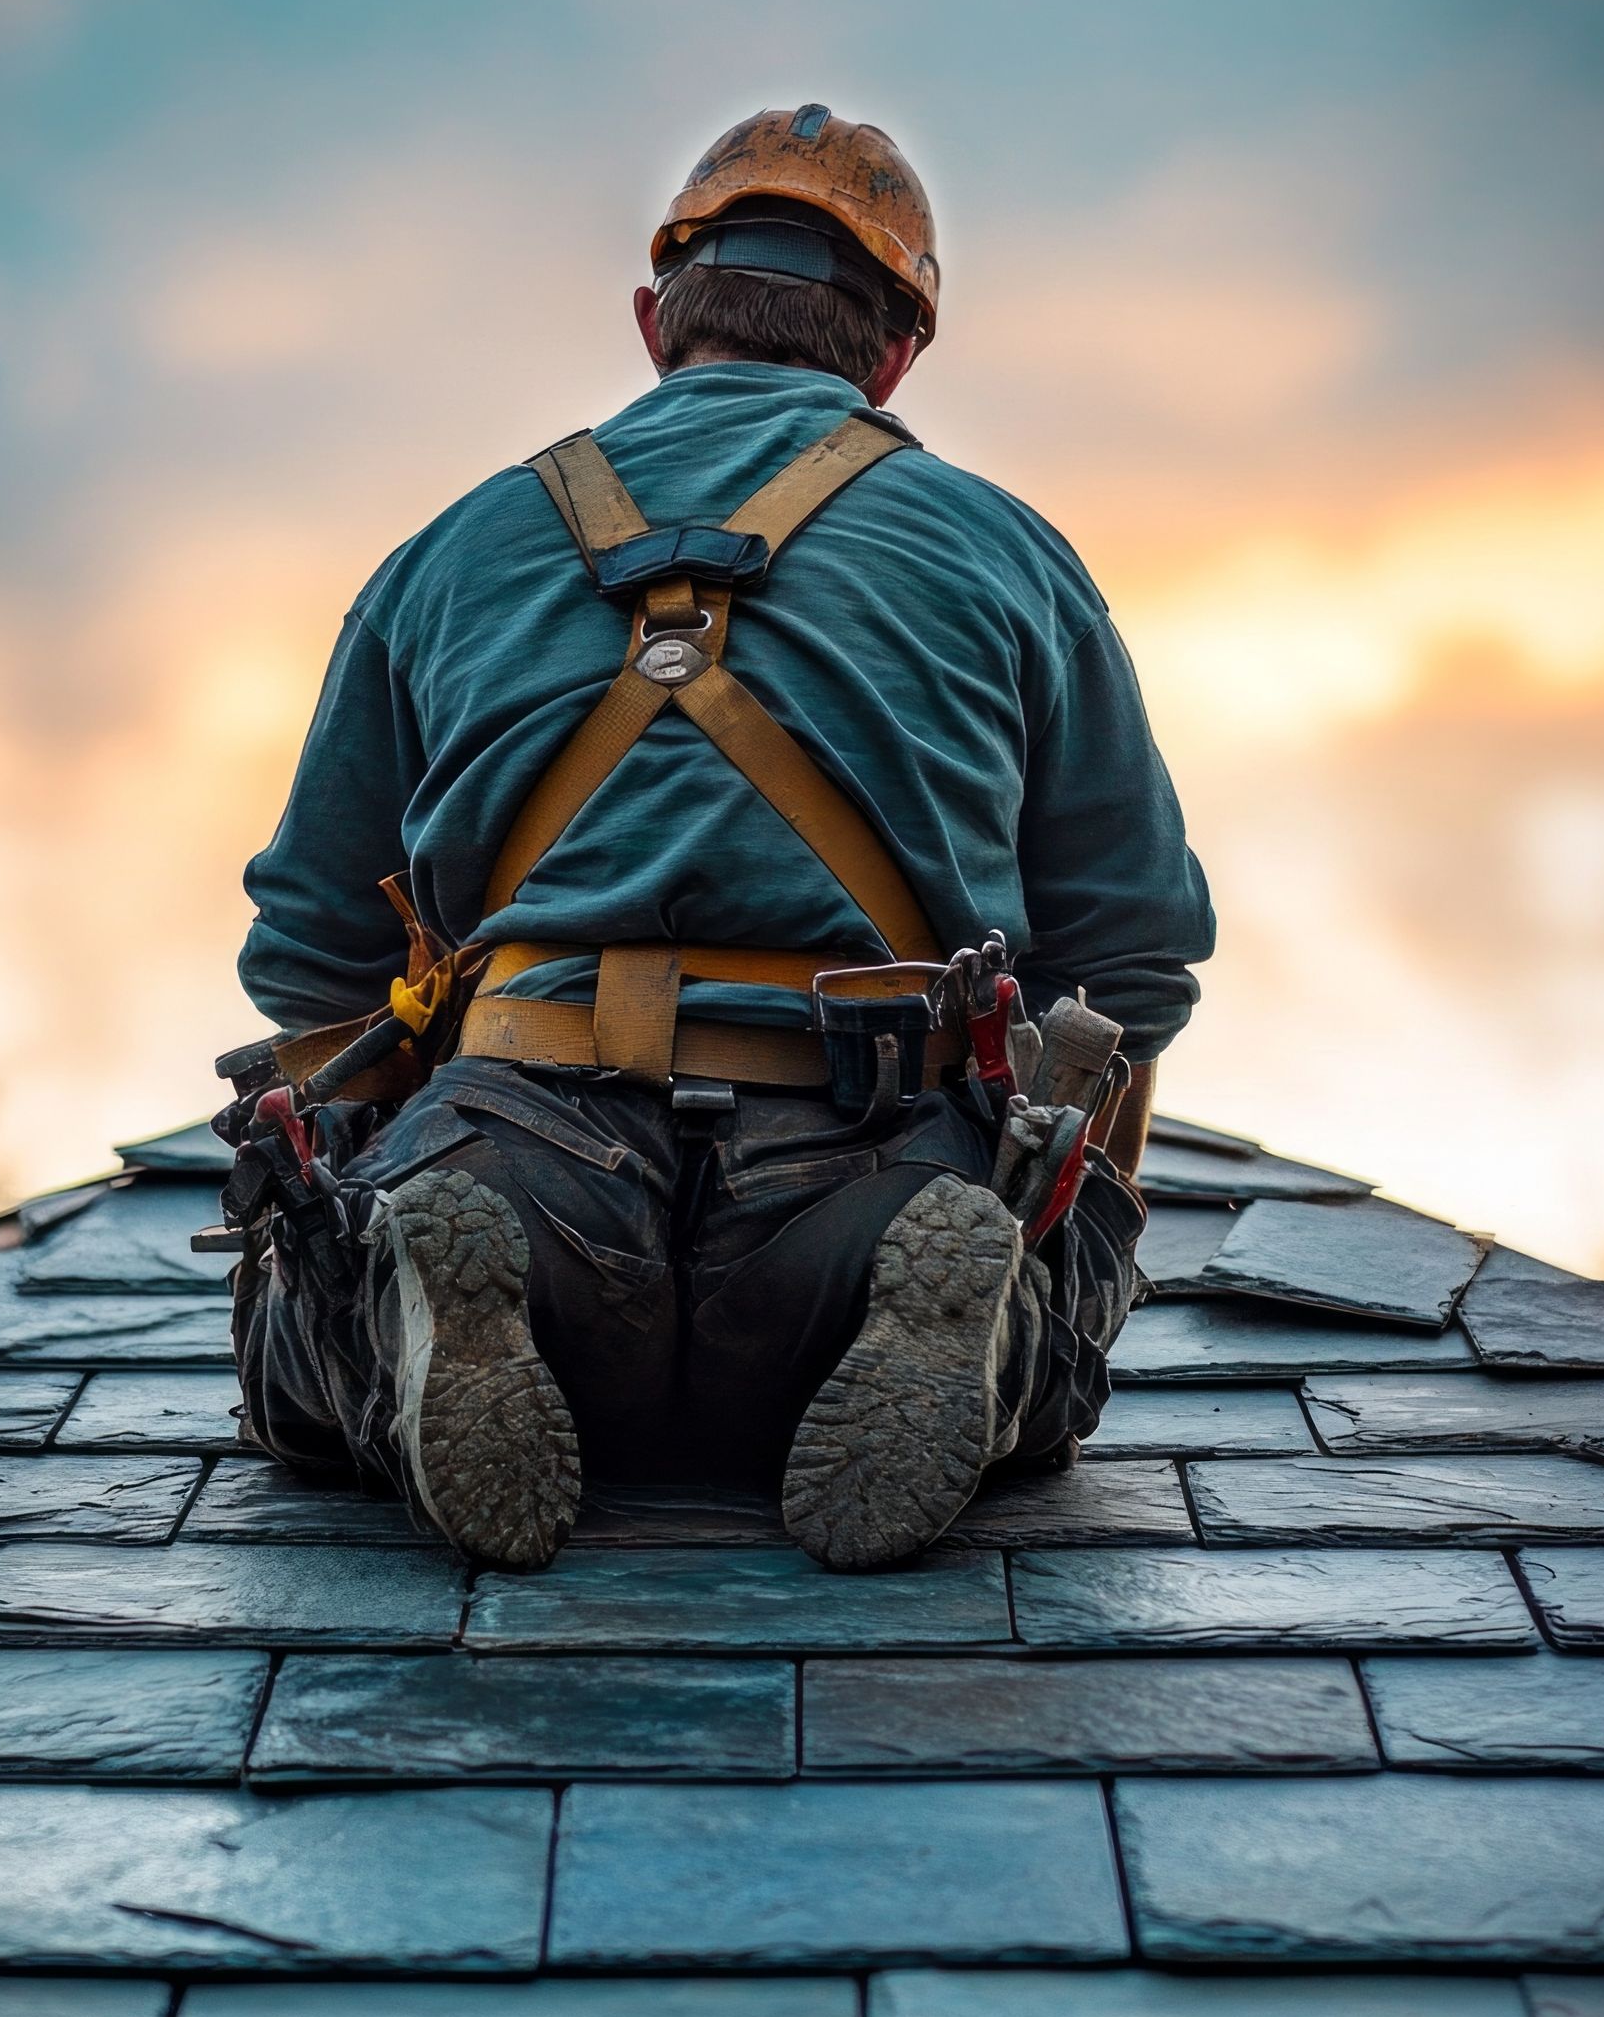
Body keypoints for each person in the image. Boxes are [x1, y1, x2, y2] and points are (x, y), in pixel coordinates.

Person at [232, 106, 1214, 1569]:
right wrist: (1043, 1204)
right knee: (1035, 1347)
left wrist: (375, 1167)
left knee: (303, 1348)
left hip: (524, 1156)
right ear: (896, 352)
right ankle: (958, 1310)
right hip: (866, 1176)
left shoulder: (449, 551)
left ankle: (426, 1299)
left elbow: (310, 953)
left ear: (654, 323)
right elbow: (1134, 959)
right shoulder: (1009, 553)